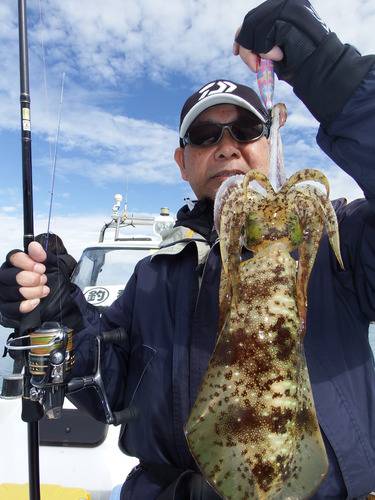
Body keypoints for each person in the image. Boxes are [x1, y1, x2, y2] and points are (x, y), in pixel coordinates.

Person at [0, 0, 374, 497]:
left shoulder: (334, 243)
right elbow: (105, 384)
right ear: (182, 161)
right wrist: (53, 312)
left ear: (269, 140)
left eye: (244, 130)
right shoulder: (154, 276)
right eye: (204, 135)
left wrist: (333, 75)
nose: (226, 146)